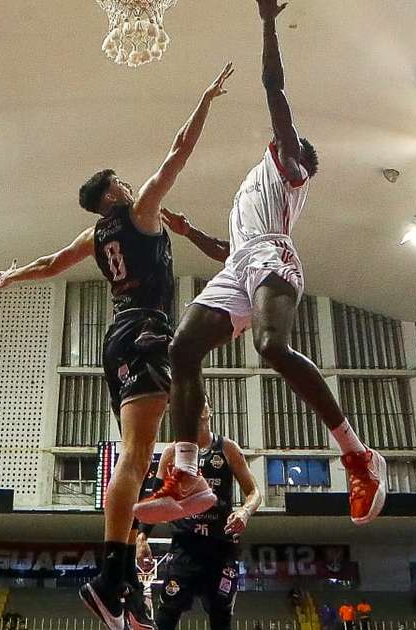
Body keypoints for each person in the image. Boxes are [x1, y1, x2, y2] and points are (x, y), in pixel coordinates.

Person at [0, 63, 235, 630]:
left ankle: (143, 539)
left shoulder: (94, 235)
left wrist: (15, 274)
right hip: (147, 329)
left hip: (120, 336)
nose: (128, 183)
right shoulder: (139, 212)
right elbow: (178, 152)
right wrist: (205, 98)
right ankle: (113, 574)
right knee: (136, 451)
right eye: (120, 181)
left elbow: (53, 263)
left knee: (158, 438)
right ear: (112, 194)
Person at [134, 0, 385, 528]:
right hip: (241, 266)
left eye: (285, 136)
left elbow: (274, 89)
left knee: (270, 346)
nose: (277, 136)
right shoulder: (252, 186)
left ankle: (358, 455)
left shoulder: (291, 167)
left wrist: (269, 23)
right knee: (181, 349)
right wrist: (189, 232)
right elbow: (230, 253)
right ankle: (186, 473)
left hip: (275, 258)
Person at [140, 411, 261, 630]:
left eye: (200, 401)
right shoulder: (172, 451)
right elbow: (155, 498)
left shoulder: (227, 448)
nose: (195, 406)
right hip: (185, 546)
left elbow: (254, 492)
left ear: (208, 411)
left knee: (221, 617)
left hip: (220, 547)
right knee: (166, 615)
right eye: (191, 403)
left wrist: (244, 511)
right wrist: (142, 537)